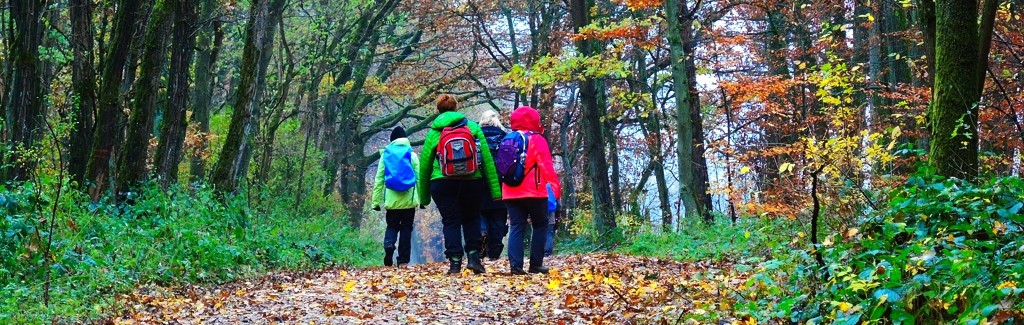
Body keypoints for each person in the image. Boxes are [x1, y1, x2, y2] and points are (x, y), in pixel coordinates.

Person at [418, 94, 502, 275]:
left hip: (442, 182)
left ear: (438, 110)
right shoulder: (472, 127)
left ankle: (455, 262)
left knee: (450, 222)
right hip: (472, 180)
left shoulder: (434, 132)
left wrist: (423, 197)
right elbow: (487, 160)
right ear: (456, 108)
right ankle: (473, 259)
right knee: (471, 218)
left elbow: (424, 167)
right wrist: (496, 191)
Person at [500, 106, 560, 275]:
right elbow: (546, 166)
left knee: (516, 226)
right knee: (540, 225)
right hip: (534, 192)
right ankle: (536, 264)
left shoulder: (508, 138)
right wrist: (555, 190)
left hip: (510, 192)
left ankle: (516, 267)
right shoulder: (537, 139)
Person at [371, 126, 421, 267]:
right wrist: (423, 200)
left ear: (392, 140)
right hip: (409, 202)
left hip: (392, 202)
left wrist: (375, 202)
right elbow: (419, 179)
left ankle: (389, 244)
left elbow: (379, 180)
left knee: (392, 226)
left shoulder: (386, 156)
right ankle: (403, 261)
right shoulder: (412, 155)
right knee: (406, 229)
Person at [478, 110, 509, 261]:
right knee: (498, 219)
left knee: (480, 214)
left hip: (478, 184)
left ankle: (482, 233)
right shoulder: (505, 138)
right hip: (501, 185)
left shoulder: (474, 137)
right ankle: (494, 253)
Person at [544, 183, 558, 257]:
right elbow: (557, 203)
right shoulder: (551, 186)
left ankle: (538, 251)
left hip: (539, 215)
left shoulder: (538, 184)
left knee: (538, 232)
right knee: (549, 233)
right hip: (551, 216)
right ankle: (548, 252)